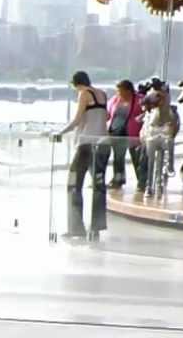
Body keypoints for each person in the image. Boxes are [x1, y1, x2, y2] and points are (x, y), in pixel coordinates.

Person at [54, 70, 110, 240]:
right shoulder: (102, 94)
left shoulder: (84, 94)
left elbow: (78, 119)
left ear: (76, 84)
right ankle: (96, 228)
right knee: (99, 186)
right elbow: (104, 117)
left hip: (86, 144)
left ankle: (76, 228)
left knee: (73, 184)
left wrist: (61, 133)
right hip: (103, 144)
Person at [106, 79, 145, 194]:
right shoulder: (114, 100)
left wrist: (139, 119)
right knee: (118, 158)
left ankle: (142, 181)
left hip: (133, 133)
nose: (119, 93)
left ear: (129, 90)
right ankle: (118, 179)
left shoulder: (139, 99)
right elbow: (108, 114)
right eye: (118, 91)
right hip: (117, 132)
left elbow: (147, 112)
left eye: (121, 90)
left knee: (136, 158)